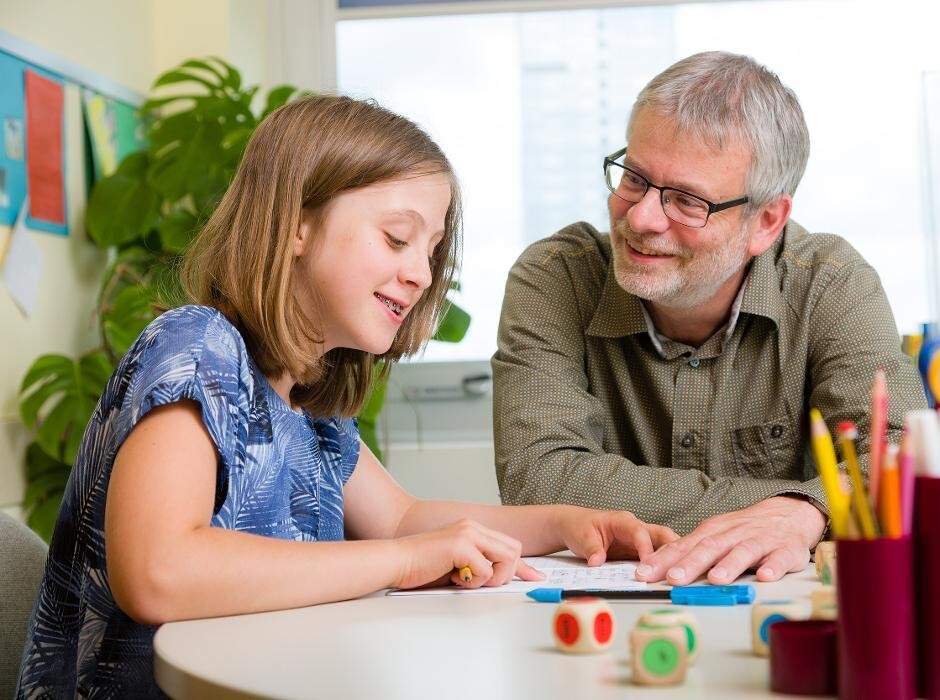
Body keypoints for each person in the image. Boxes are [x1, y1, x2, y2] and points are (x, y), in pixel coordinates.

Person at [16, 95, 676, 698]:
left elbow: (401, 518)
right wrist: (409, 559)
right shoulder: (196, 349)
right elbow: (158, 571)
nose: (420, 273)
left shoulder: (311, 405)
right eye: (396, 237)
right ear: (296, 224)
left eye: (432, 248)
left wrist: (566, 525)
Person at [492, 51, 927, 588]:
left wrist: (804, 513)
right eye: (634, 178)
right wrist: (804, 504)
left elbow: (901, 457)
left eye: (687, 201)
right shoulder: (556, 276)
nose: (642, 218)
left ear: (765, 221)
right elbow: (539, 479)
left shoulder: (831, 283)